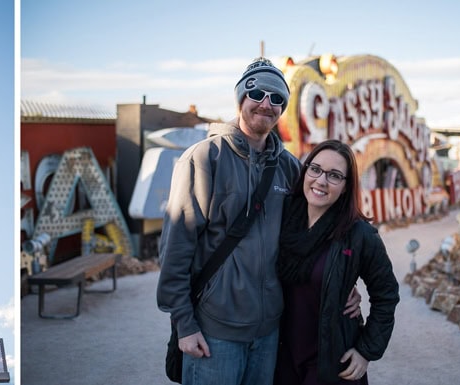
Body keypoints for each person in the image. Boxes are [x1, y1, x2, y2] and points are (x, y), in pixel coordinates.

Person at [156, 56, 300, 385]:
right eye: (259, 94)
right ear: (241, 98)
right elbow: (175, 248)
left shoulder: (290, 168)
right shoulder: (205, 158)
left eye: (277, 98)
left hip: (268, 332)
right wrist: (184, 324)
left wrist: (347, 282)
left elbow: (313, 234)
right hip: (213, 330)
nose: (267, 103)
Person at [273, 139, 400, 385]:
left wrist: (366, 350)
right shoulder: (283, 216)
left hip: (330, 361)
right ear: (306, 171)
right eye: (316, 169)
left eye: (334, 175)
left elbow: (386, 295)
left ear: (345, 186)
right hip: (281, 355)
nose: (321, 180)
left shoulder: (359, 234)